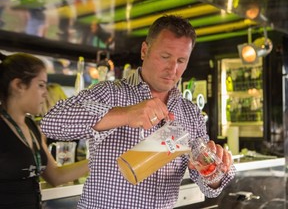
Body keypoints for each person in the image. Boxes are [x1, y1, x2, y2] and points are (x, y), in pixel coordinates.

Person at [40, 15, 236, 209]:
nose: (172, 69)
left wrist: (213, 173)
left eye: (181, 60)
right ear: (145, 50)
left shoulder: (190, 114)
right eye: (165, 57)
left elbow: (210, 189)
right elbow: (51, 124)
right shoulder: (111, 93)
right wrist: (125, 114)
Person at [0, 52, 89, 209]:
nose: (45, 93)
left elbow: (55, 176)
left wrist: (101, 159)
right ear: (18, 85)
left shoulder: (32, 126)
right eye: (41, 85)